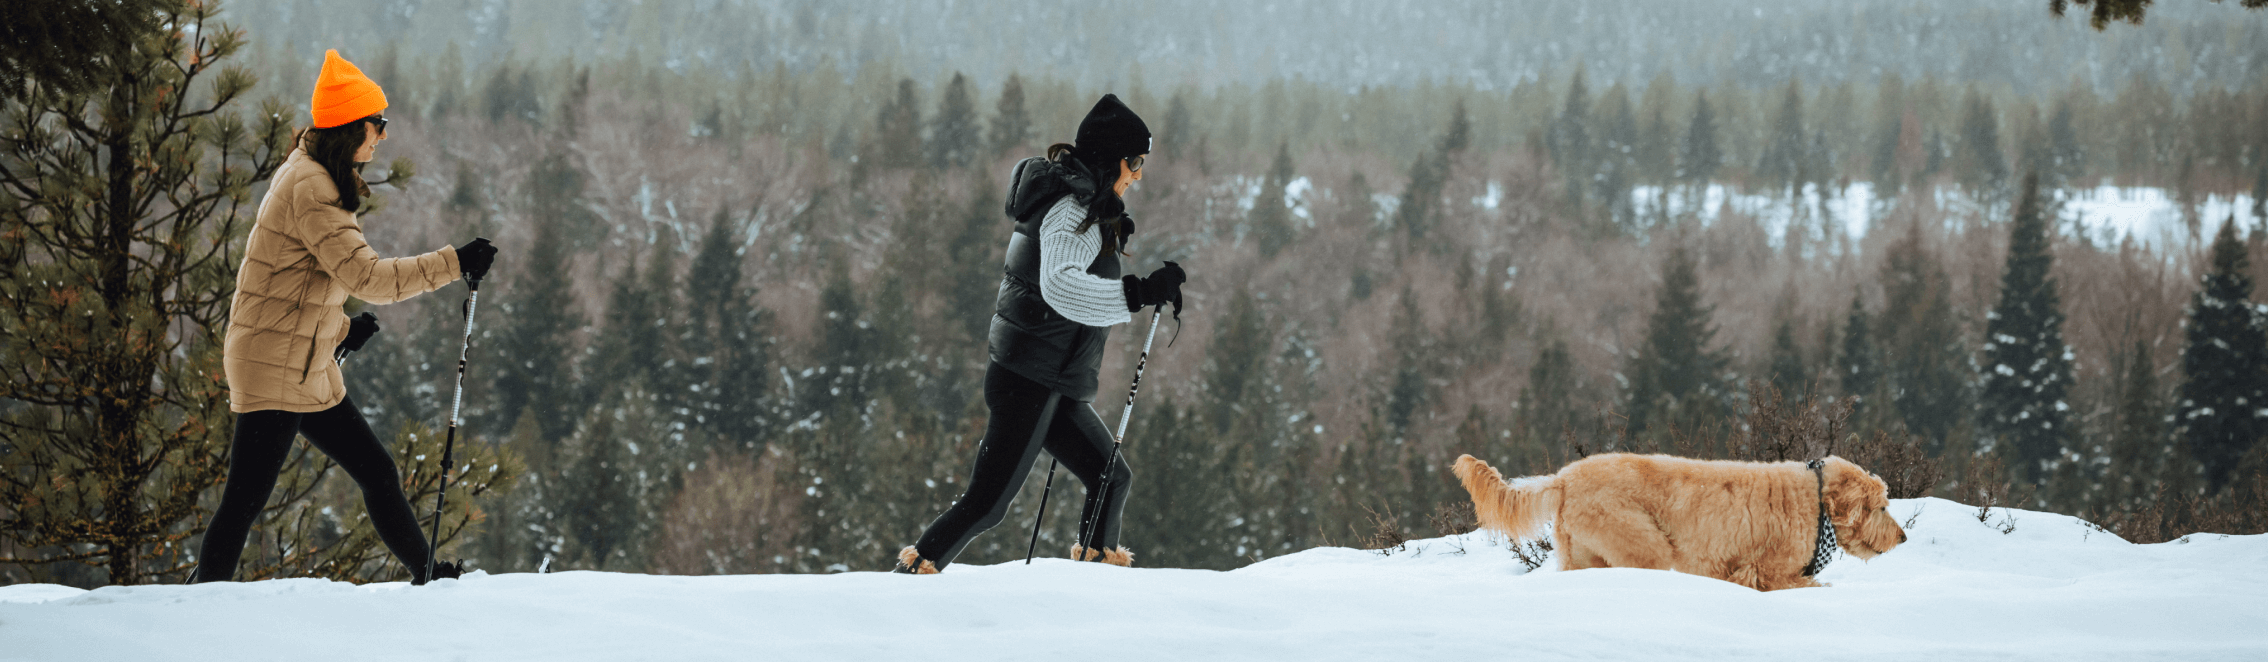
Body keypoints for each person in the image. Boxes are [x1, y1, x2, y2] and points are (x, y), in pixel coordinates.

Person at [191, 50, 498, 585]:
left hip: (302, 360)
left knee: (377, 472)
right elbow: (367, 279)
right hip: (276, 365)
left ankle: (429, 577)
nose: (382, 136)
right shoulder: (312, 187)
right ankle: (198, 607)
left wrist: (340, 331)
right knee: (243, 502)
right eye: (377, 124)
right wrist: (454, 262)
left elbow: (293, 282)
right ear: (350, 127)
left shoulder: (311, 171)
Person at [896, 94, 1187, 573]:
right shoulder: (1071, 210)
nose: (1138, 174)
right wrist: (1137, 293)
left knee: (1110, 477)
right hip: (1027, 380)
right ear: (1109, 157)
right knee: (986, 505)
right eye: (1134, 161)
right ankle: (911, 577)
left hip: (1050, 378)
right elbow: (1060, 288)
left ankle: (1094, 582)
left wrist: (1146, 289)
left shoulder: (1086, 204)